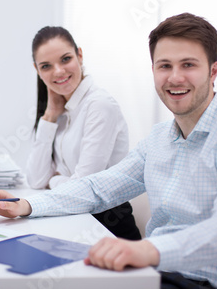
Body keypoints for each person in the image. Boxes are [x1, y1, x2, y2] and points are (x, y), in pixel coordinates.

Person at [0, 13, 217, 289]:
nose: (174, 78)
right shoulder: (159, 138)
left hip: (198, 282)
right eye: (164, 66)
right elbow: (97, 188)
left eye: (188, 64)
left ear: (213, 71)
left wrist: (146, 249)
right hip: (151, 273)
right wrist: (25, 205)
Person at [26, 26, 141, 240]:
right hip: (72, 221)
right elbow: (35, 179)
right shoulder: (61, 108)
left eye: (65, 59)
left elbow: (83, 190)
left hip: (108, 230)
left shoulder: (99, 105)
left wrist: (54, 181)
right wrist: (50, 116)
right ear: (37, 70)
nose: (58, 71)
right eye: (46, 66)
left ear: (79, 55)